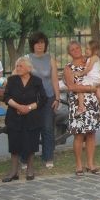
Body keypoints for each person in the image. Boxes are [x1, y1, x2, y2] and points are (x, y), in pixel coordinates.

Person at [1, 57, 47, 182]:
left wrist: (29, 107)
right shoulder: (12, 80)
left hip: (32, 117)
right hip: (14, 116)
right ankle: (14, 171)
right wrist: (18, 106)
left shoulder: (36, 81)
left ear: (28, 68)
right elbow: (6, 97)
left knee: (31, 142)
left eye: (21, 66)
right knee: (14, 143)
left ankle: (30, 169)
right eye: (17, 66)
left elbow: (43, 99)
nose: (18, 68)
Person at [64, 41, 100, 176]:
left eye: (77, 48)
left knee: (91, 133)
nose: (75, 50)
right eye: (72, 49)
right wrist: (90, 88)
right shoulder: (68, 67)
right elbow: (71, 86)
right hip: (78, 103)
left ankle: (91, 164)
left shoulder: (90, 61)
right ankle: (79, 165)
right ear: (69, 53)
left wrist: (96, 86)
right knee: (79, 135)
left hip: (92, 102)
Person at [27, 32, 61, 169]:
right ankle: (26, 157)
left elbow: (54, 79)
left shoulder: (50, 59)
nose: (40, 45)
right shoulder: (27, 59)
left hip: (48, 97)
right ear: (32, 45)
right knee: (31, 128)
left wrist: (57, 97)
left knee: (47, 127)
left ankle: (48, 156)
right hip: (32, 98)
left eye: (42, 42)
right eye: (37, 42)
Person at [72, 40, 100, 116]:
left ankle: (81, 107)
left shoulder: (94, 57)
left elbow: (89, 69)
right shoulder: (91, 58)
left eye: (89, 49)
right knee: (98, 92)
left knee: (79, 88)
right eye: (86, 48)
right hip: (93, 78)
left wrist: (80, 73)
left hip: (93, 78)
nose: (86, 50)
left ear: (95, 51)